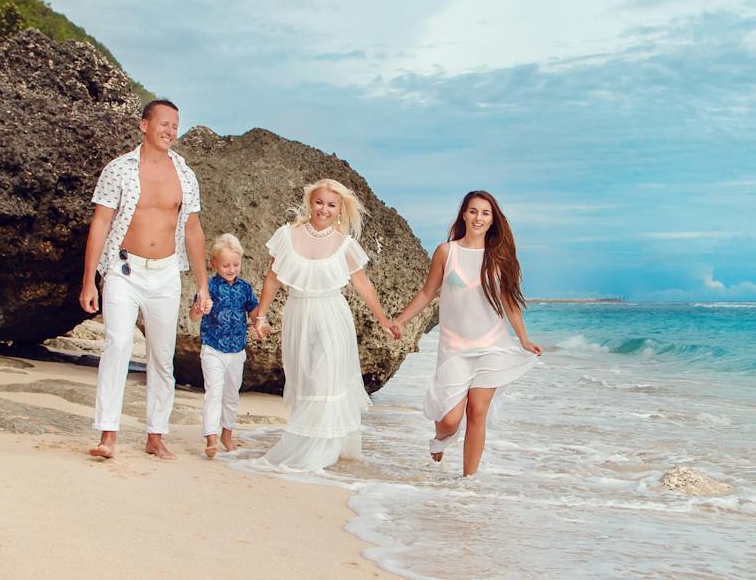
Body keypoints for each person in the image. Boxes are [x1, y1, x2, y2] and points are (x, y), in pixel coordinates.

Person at [78, 99, 210, 460]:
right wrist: (89, 280)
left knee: (161, 356)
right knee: (118, 345)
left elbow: (193, 230)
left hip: (166, 273)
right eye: (164, 124)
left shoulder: (185, 175)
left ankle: (156, 435)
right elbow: (101, 223)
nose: (170, 131)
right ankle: (108, 433)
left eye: (175, 125)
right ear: (144, 126)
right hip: (123, 269)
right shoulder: (119, 169)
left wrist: (202, 284)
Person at [388, 190, 541, 476]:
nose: (478, 218)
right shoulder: (447, 252)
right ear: (463, 214)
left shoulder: (499, 258)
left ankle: (468, 481)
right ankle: (441, 438)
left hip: (493, 346)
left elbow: (510, 304)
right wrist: (400, 320)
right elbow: (426, 292)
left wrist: (523, 339)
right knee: (450, 419)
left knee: (477, 413)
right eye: (473, 211)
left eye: (485, 213)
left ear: (493, 220)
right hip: (455, 347)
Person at [249, 178, 399, 472]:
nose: (324, 209)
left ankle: (321, 450)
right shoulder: (287, 235)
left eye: (332, 205)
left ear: (340, 210)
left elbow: (362, 284)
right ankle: (307, 443)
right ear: (310, 203)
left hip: (332, 314)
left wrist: (384, 319)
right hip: (298, 313)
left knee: (326, 379)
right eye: (319, 202)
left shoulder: (345, 245)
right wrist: (261, 316)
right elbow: (273, 277)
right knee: (306, 380)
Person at [195, 233, 259, 459]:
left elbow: (253, 310)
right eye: (225, 265)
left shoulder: (244, 287)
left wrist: (260, 322)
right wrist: (201, 308)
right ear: (213, 264)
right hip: (213, 348)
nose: (231, 269)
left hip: (237, 350)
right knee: (214, 392)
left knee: (231, 395)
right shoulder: (209, 286)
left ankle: (227, 435)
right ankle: (210, 438)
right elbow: (194, 315)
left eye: (235, 264)